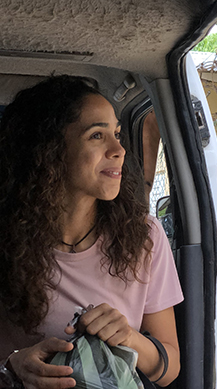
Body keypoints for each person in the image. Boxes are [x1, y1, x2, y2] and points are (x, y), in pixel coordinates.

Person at [0, 75, 184, 388]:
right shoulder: (5, 239)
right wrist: (9, 367)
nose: (119, 149)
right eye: (97, 136)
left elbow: (170, 369)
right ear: (50, 150)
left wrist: (129, 337)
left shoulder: (144, 237)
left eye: (117, 133)